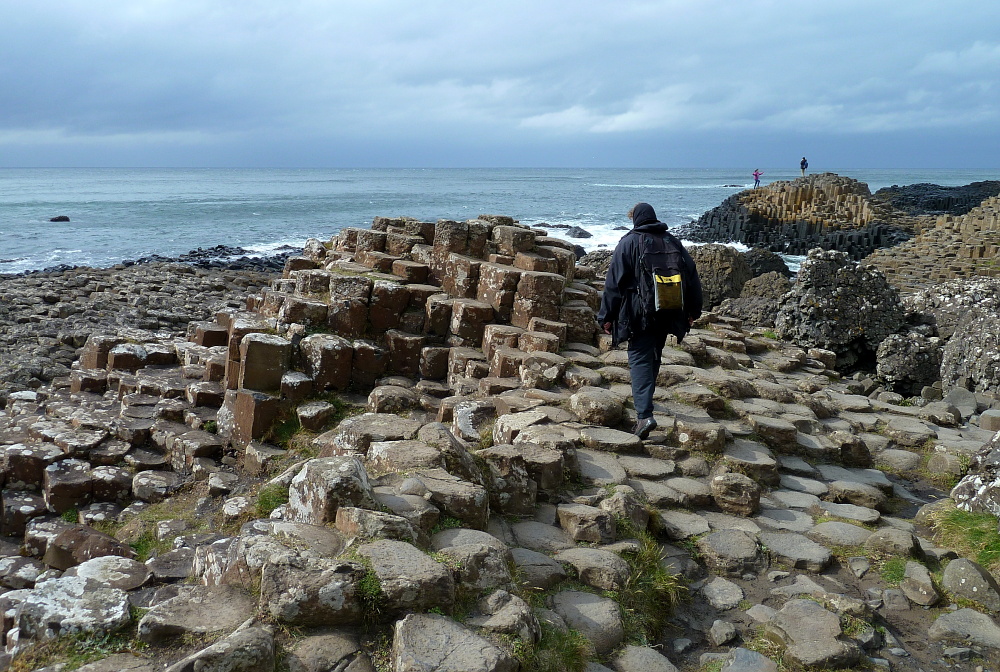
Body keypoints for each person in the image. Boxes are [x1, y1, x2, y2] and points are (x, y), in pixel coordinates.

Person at [596, 202, 703, 439]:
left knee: (640, 359)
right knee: (654, 355)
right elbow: (691, 276)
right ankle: (646, 404)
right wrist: (693, 311)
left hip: (639, 313)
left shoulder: (628, 242)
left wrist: (606, 316)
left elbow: (613, 284)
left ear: (636, 219)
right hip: (669, 310)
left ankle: (644, 415)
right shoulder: (672, 241)